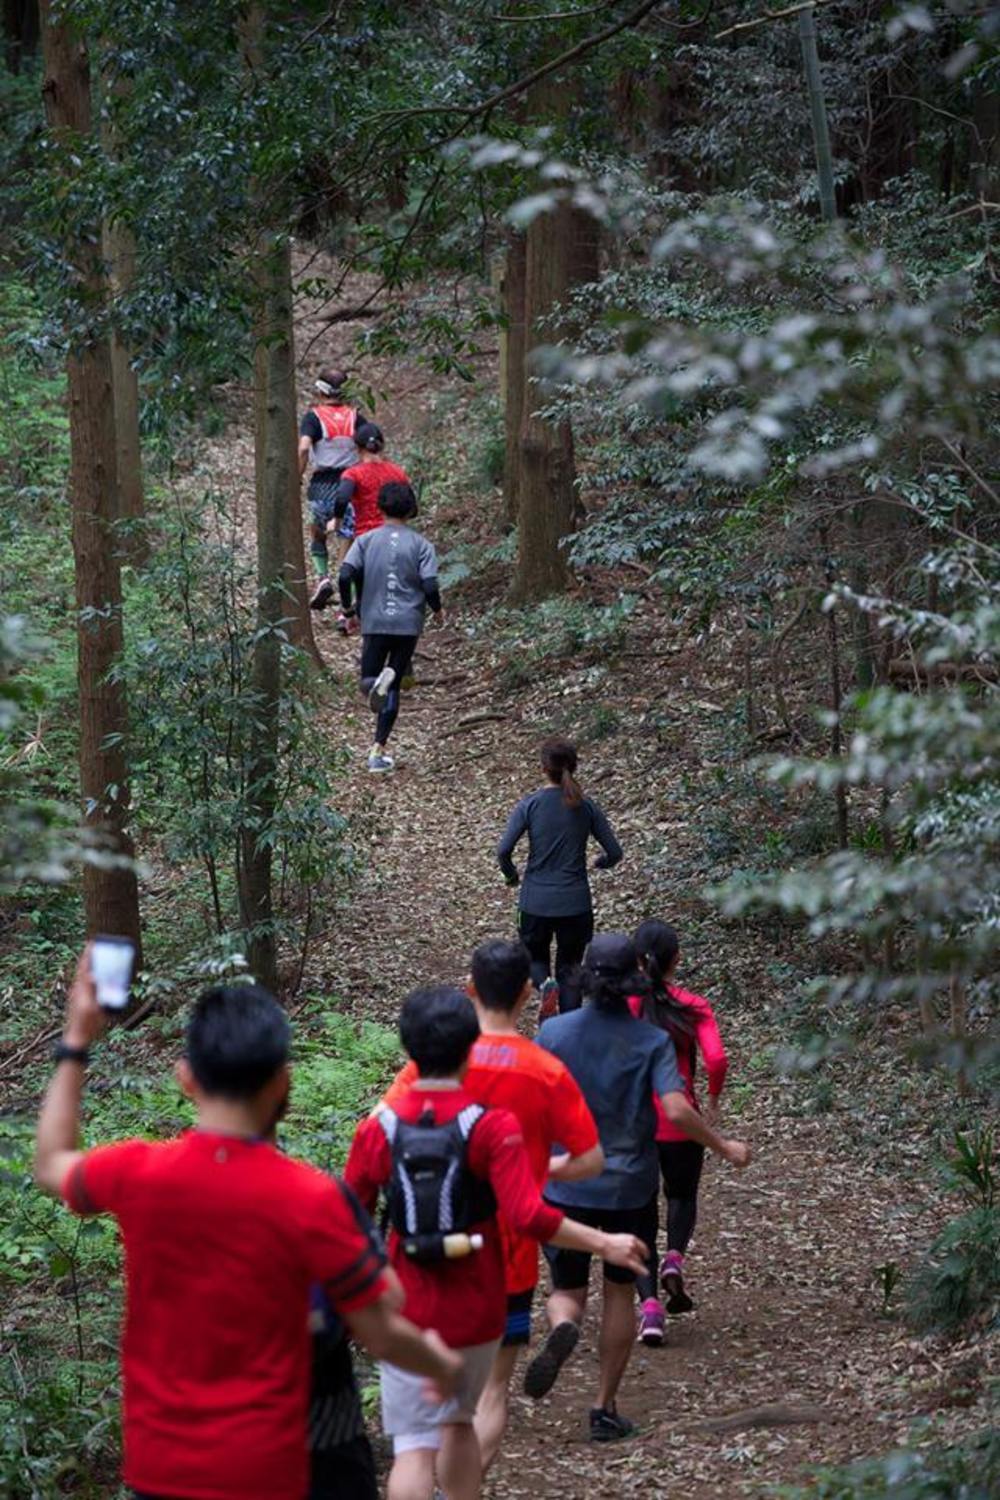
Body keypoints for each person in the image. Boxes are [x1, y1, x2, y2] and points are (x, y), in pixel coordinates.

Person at [34, 947, 462, 1500]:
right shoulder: (311, 1198)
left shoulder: (137, 1173)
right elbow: (381, 1327)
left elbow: (49, 1164)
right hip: (264, 1472)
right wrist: (442, 1365)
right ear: (282, 1082)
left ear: (186, 1079)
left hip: (159, 1470)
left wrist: (76, 1038)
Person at [344, 985, 647, 1500]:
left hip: (405, 1304)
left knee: (414, 1446)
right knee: (460, 1422)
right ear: (468, 1049)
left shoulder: (377, 1131)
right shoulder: (490, 1128)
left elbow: (349, 1218)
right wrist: (605, 1243)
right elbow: (528, 1214)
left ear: (408, 1050)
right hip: (476, 1305)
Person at [381, 939, 604, 1471]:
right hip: (509, 1250)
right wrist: (539, 1170)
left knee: (423, 1402)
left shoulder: (431, 1064)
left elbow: (383, 1130)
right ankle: (458, 1487)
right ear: (529, 992)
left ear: (470, 989)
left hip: (426, 1242)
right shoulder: (544, 1070)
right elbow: (591, 1159)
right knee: (491, 1392)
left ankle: (422, 1476)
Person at [530, 933, 751, 1443]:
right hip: (628, 1188)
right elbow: (675, 1109)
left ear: (586, 977)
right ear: (635, 978)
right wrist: (724, 1145)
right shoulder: (650, 1041)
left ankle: (563, 1324)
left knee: (566, 1290)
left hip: (564, 1183)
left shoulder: (553, 1033)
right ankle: (603, 1408)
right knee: (620, 1294)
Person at [628, 918, 729, 1346]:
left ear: (637, 960)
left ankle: (650, 1309)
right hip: (680, 1120)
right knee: (682, 1196)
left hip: (635, 1126)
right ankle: (674, 1257)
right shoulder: (693, 1005)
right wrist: (712, 1102)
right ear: (677, 960)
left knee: (640, 1215)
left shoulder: (627, 1005)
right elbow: (717, 1058)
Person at [497, 737, 623, 1018]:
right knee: (571, 967)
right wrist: (601, 862)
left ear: (543, 768)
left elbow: (503, 851)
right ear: (574, 767)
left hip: (535, 902)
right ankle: (568, 1030)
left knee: (533, 957)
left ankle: (544, 986)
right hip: (576, 904)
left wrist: (511, 877)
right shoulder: (587, 807)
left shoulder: (529, 805)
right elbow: (615, 852)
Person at [338, 481, 442, 775]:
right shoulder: (422, 545)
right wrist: (438, 609)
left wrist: (348, 608)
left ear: (380, 508)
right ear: (411, 509)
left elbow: (345, 574)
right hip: (408, 623)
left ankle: (379, 683)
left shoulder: (365, 541)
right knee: (392, 683)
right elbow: (430, 584)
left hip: (374, 620)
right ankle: (377, 751)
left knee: (368, 682)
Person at [298, 369, 367, 611]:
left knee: (317, 534)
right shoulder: (355, 417)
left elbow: (304, 448)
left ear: (320, 391)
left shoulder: (313, 417)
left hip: (320, 487)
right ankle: (345, 608)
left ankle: (323, 578)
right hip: (350, 486)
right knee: (346, 542)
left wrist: (298, 474)